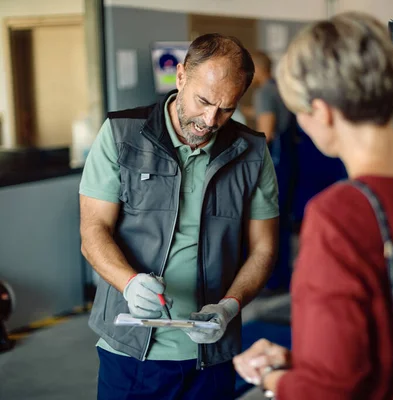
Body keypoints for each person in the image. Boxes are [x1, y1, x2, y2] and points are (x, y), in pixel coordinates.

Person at [233, 12, 393, 399]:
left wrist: (272, 379)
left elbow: (329, 392)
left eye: (301, 114)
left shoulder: (339, 215)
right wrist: (299, 360)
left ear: (322, 111)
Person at [79, 33, 279, 400]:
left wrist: (229, 306)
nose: (210, 119)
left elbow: (264, 249)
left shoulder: (252, 152)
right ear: (181, 75)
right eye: (203, 101)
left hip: (212, 354)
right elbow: (94, 230)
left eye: (226, 108)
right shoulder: (121, 135)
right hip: (131, 351)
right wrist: (128, 283)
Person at [248, 51, 295, 293]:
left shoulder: (264, 92)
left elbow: (266, 133)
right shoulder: (279, 88)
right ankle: (282, 277)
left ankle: (272, 280)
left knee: (269, 220)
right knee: (283, 220)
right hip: (288, 159)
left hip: (274, 162)